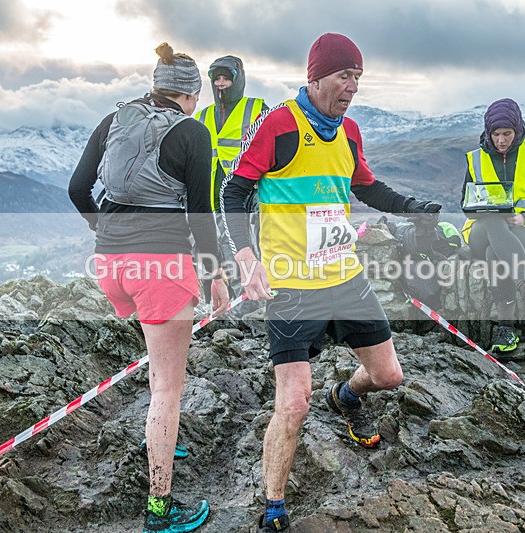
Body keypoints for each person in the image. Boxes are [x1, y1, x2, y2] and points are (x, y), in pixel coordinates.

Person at [220, 33, 441, 532]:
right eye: (345, 76)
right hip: (293, 287)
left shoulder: (350, 132)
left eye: (358, 78)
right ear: (315, 76)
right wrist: (244, 255)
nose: (353, 87)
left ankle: (345, 396)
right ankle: (273, 508)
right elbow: (235, 192)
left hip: (345, 276)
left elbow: (364, 185)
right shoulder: (279, 125)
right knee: (293, 402)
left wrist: (411, 207)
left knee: (389, 377)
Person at [68, 43, 229, 533]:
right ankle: (160, 508)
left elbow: (78, 189)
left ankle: (160, 434)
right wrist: (216, 275)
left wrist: (111, 236)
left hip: (111, 265)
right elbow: (202, 216)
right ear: (190, 93)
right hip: (161, 268)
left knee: (158, 367)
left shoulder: (115, 119)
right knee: (167, 388)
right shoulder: (192, 133)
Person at [460, 97, 525, 353]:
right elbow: (465, 203)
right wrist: (485, 208)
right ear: (488, 132)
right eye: (496, 134)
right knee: (494, 219)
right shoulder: (475, 158)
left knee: (495, 253)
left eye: (507, 133)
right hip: (481, 232)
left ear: (518, 130)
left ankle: (506, 330)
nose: (502, 140)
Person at [195, 56, 267, 305]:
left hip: (252, 191)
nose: (221, 84)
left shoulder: (257, 108)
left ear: (238, 81)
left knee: (258, 244)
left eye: (226, 78)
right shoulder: (202, 116)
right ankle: (245, 301)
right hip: (217, 195)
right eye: (217, 79)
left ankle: (264, 295)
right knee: (229, 247)